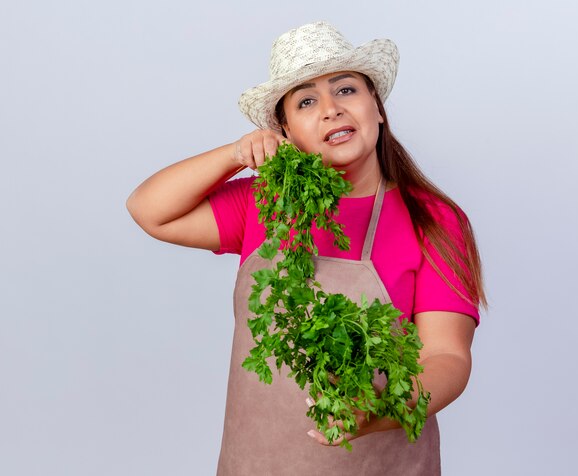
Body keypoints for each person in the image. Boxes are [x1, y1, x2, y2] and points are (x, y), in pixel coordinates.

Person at [126, 20, 487, 476]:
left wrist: (378, 410)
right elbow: (149, 209)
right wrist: (236, 154)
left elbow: (447, 357)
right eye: (307, 101)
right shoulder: (264, 203)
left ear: (377, 106)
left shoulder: (434, 220)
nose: (332, 110)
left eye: (346, 90)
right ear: (287, 130)